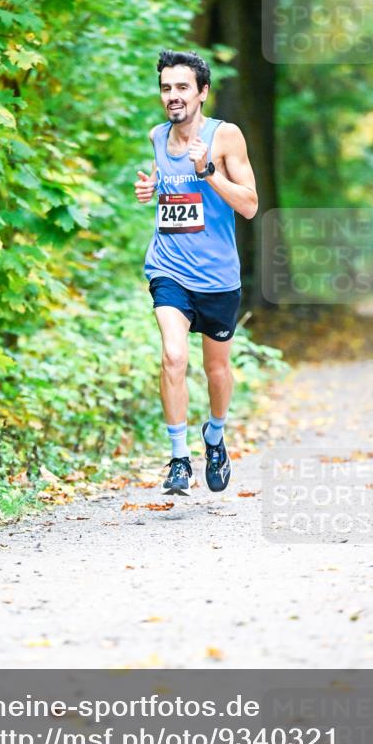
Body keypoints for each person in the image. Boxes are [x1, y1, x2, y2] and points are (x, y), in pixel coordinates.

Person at [134, 49, 258, 496]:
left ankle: (216, 435)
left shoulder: (226, 137)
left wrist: (207, 172)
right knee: (172, 355)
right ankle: (178, 458)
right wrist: (150, 187)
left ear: (202, 92)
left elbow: (249, 205)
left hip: (219, 275)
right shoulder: (156, 136)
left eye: (182, 87)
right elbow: (165, 185)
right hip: (168, 267)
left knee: (217, 370)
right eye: (166, 88)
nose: (173, 96)